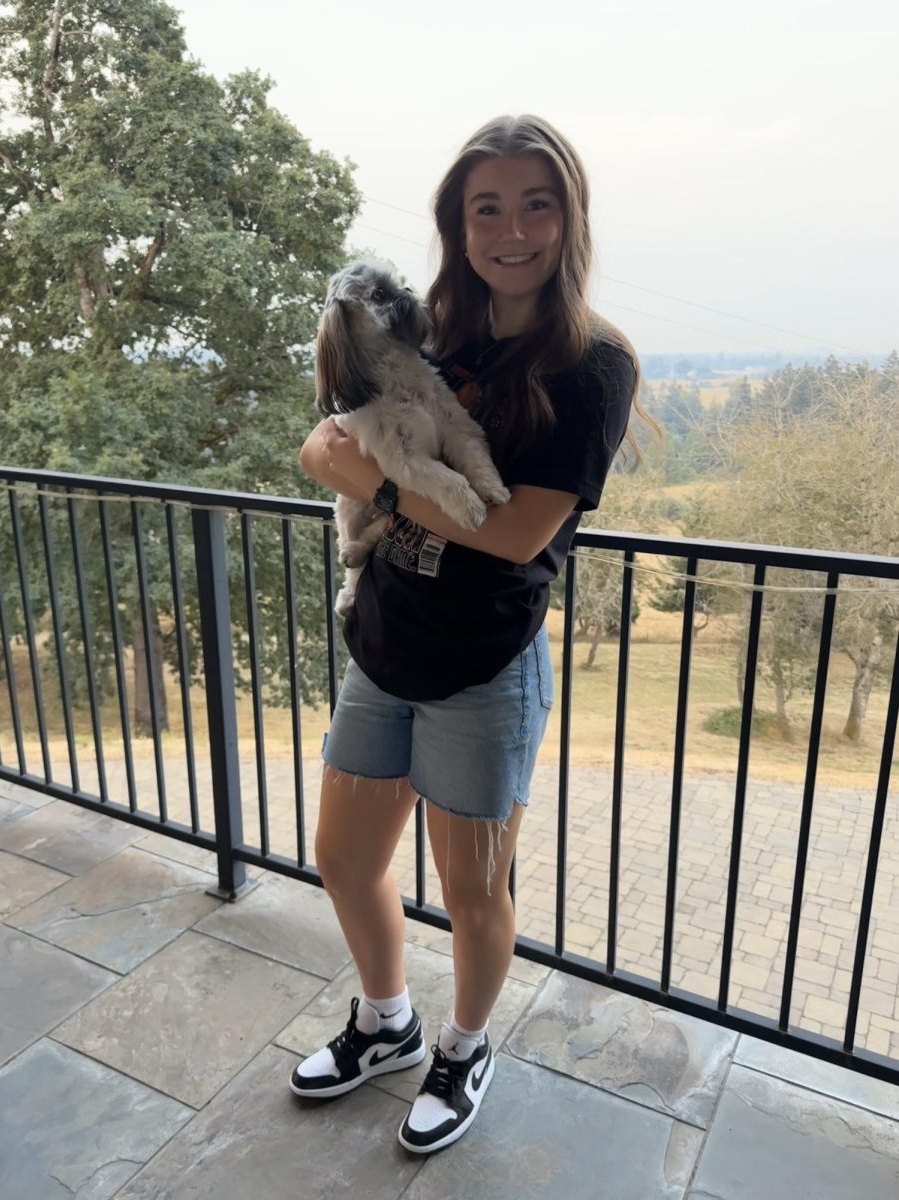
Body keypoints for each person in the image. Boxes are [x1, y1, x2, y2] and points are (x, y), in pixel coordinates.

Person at [292, 114, 649, 1154]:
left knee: (470, 889)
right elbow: (342, 421)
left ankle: (463, 1045)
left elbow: (519, 531)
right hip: (385, 638)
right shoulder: (427, 327)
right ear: (458, 221)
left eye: (537, 203)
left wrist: (370, 482)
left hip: (484, 665)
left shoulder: (590, 365)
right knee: (342, 858)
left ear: (568, 218)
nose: (513, 228)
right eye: (486, 205)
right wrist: (340, 450)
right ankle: (387, 1021)